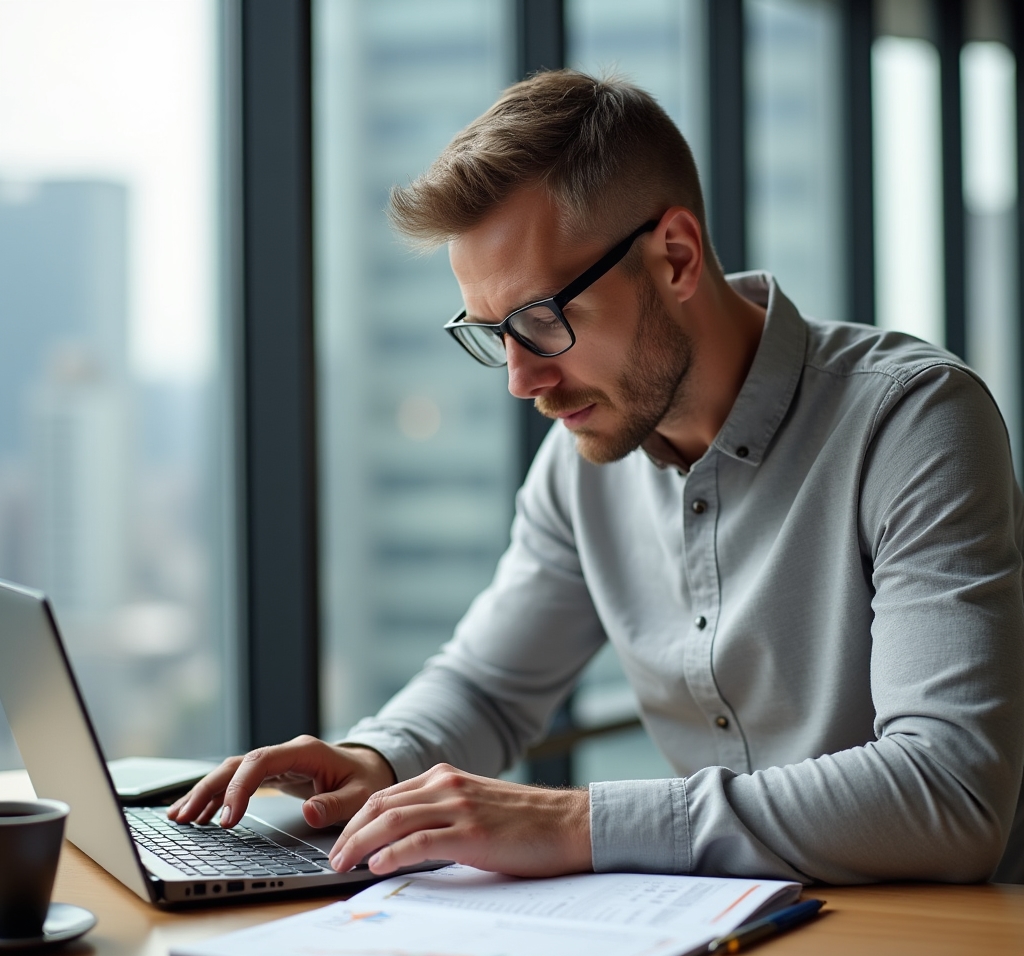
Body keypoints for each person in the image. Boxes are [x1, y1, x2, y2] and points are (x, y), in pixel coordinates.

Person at [170, 70, 1024, 885]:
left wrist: (571, 824)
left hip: (937, 950)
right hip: (726, 938)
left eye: (543, 318)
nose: (521, 380)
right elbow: (488, 686)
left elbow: (949, 792)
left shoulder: (912, 421)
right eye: (492, 333)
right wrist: (376, 758)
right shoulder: (582, 460)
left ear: (676, 256)